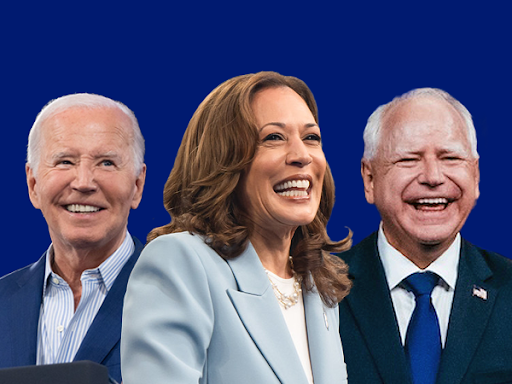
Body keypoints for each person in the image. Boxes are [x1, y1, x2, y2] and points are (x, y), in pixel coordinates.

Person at [121, 71, 352, 384]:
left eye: (311, 138)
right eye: (274, 137)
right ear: (223, 160)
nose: (302, 155)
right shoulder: (180, 261)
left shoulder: (318, 287)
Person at [338, 88, 512, 384]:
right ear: (369, 179)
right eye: (408, 159)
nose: (433, 176)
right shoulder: (316, 292)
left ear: (476, 175)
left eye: (451, 157)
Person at [0, 93, 146, 383]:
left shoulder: (183, 295)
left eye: (106, 163)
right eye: (65, 161)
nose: (83, 182)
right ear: (33, 185)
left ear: (137, 186)